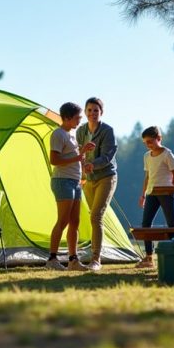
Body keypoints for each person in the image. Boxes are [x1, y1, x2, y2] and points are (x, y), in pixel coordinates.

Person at [46, 102, 94, 271]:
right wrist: (79, 155)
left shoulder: (71, 134)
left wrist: (83, 153)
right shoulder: (58, 134)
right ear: (66, 118)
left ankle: (73, 260)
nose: (80, 121)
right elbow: (55, 160)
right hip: (62, 181)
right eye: (77, 118)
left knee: (75, 221)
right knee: (64, 220)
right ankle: (52, 258)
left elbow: (74, 156)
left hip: (74, 181)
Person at [76, 97, 117, 272]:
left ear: (102, 112)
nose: (93, 113)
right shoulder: (81, 131)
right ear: (85, 112)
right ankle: (89, 255)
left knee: (96, 216)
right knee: (92, 216)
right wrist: (82, 170)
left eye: (96, 110)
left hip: (106, 177)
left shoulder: (108, 131)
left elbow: (108, 155)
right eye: (90, 110)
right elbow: (79, 152)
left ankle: (96, 259)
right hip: (89, 179)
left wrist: (94, 164)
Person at [135, 126, 174, 269]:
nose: (148, 145)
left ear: (159, 139)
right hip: (151, 194)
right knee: (146, 224)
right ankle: (149, 257)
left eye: (150, 141)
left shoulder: (168, 155)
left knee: (172, 224)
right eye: (145, 143)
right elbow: (147, 176)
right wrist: (143, 194)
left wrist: (171, 189)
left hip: (166, 194)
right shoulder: (147, 156)